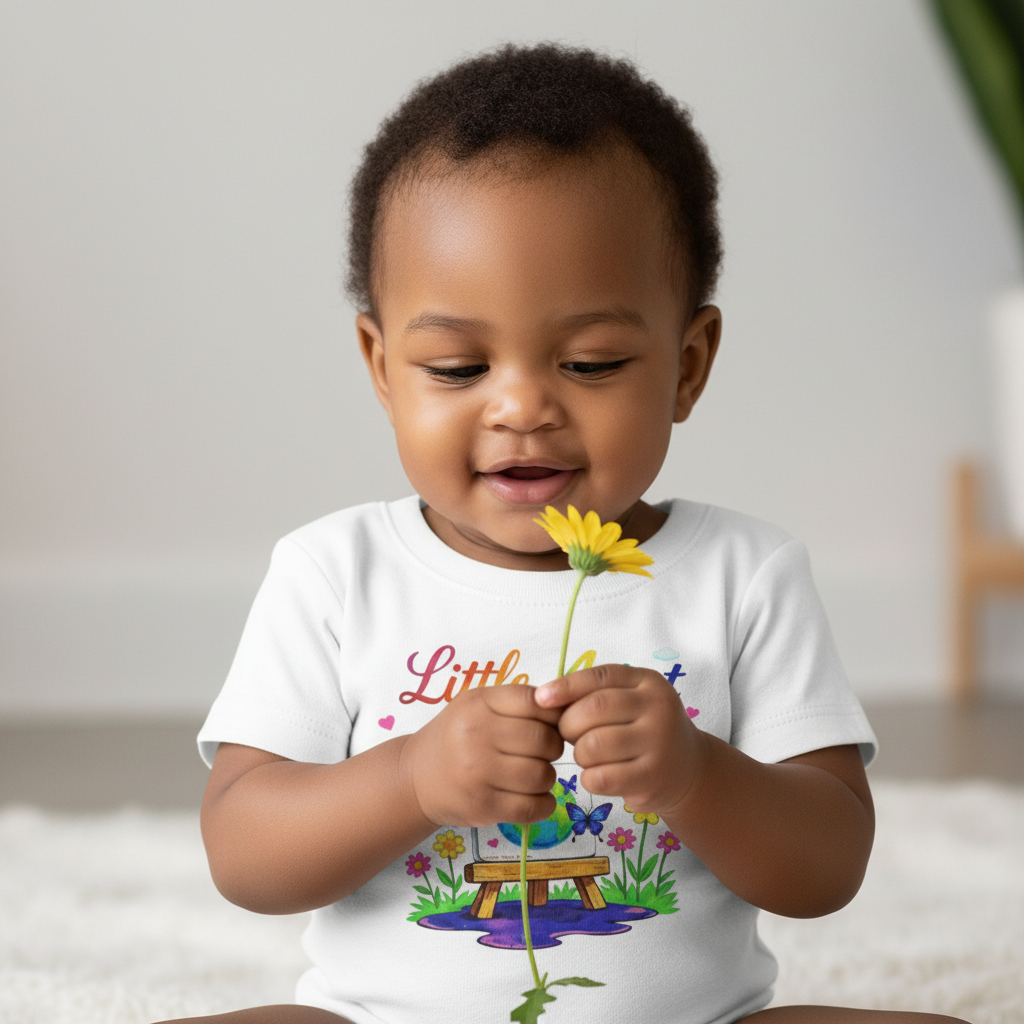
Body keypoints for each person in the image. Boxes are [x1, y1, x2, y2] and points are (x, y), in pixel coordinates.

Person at [158, 45, 967, 1024]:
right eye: (456, 367)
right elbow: (245, 852)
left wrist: (697, 773)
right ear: (381, 366)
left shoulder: (743, 575)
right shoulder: (334, 574)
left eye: (590, 362)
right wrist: (409, 777)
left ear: (686, 363)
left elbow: (826, 864)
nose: (522, 406)